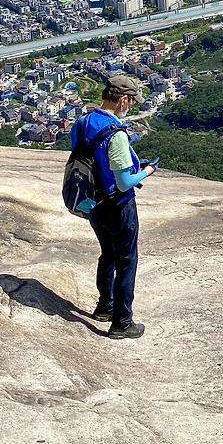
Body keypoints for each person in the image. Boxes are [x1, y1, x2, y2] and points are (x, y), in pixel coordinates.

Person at [70, 74, 158, 340]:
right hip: (118, 205)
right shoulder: (115, 133)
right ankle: (122, 323)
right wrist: (147, 171)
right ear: (122, 100)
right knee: (127, 261)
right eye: (131, 101)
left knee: (107, 254)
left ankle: (105, 306)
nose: (131, 106)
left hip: (92, 202)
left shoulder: (83, 122)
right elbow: (124, 182)